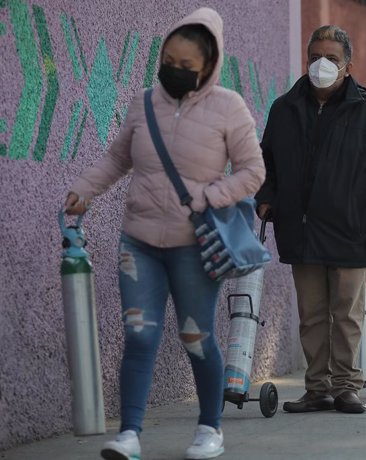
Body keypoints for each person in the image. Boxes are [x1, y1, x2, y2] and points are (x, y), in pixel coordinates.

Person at [64, 8, 265, 459]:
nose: (173, 71)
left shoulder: (229, 107)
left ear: (208, 66)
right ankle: (129, 433)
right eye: (168, 61)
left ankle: (209, 429)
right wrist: (83, 190)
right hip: (140, 242)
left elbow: (253, 172)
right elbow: (118, 158)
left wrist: (209, 196)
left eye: (186, 66)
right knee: (139, 335)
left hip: (194, 245)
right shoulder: (143, 103)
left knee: (196, 337)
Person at [255, 25, 366, 414]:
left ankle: (346, 387)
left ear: (348, 66)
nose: (322, 64)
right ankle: (317, 388)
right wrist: (267, 197)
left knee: (348, 315)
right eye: (315, 56)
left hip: (351, 232)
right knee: (312, 316)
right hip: (300, 231)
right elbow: (265, 162)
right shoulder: (284, 108)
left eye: (332, 58)